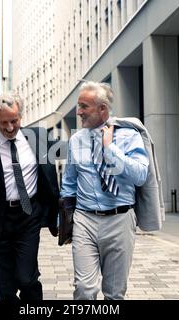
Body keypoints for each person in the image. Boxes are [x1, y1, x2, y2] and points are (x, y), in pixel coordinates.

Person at [0, 93, 59, 301]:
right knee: (5, 288)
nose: (9, 128)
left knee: (26, 279)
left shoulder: (39, 137)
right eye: (3, 122)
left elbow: (51, 178)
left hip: (29, 216)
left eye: (14, 121)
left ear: (21, 116)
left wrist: (58, 214)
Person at [60, 81, 149, 300]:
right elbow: (69, 184)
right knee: (84, 289)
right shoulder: (76, 140)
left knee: (115, 293)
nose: (78, 112)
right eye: (78, 106)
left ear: (102, 109)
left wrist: (110, 149)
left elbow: (140, 176)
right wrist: (63, 221)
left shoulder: (130, 136)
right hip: (85, 220)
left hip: (120, 219)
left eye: (84, 106)